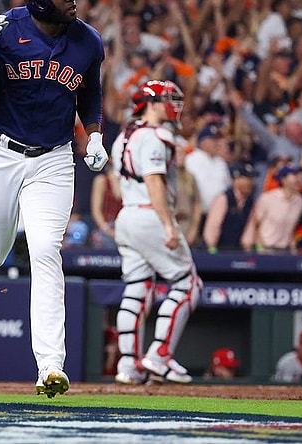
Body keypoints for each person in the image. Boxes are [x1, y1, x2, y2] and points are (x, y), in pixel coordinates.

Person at [0, 0, 107, 398]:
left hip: (54, 158)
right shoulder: (6, 28)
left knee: (46, 249)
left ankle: (50, 366)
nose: (73, 1)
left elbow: (90, 90)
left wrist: (94, 132)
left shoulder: (88, 40)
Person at [111, 80, 202, 385]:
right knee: (188, 284)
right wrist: (167, 224)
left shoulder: (124, 135)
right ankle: (159, 355)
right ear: (150, 103)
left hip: (127, 215)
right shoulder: (154, 137)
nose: (174, 104)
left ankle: (129, 365)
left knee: (137, 287)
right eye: (167, 99)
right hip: (150, 214)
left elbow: (116, 182)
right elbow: (154, 183)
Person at [203, 163, 259, 253]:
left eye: (252, 179)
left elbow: (249, 231)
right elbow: (213, 227)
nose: (251, 182)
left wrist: (247, 251)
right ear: (236, 180)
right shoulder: (224, 199)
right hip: (217, 249)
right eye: (247, 178)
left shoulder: (251, 202)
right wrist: (212, 250)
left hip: (237, 251)